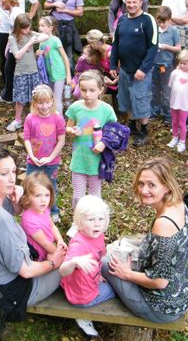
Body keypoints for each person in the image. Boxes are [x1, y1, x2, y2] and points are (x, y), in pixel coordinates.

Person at [0, 145, 67, 312]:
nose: (12, 179)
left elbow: (14, 210)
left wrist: (14, 199)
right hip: (7, 292)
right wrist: (54, 262)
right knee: (69, 262)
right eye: (4, 174)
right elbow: (26, 270)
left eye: (14, 171)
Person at [102, 158, 188, 323]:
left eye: (151, 185)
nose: (144, 190)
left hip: (161, 307)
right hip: (183, 291)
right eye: (141, 183)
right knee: (119, 247)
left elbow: (159, 282)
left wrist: (127, 274)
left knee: (102, 261)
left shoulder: (164, 225)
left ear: (166, 186)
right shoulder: (178, 203)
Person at [60, 195, 115, 337]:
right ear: (80, 222)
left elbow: (99, 257)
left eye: (101, 219)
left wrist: (99, 275)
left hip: (87, 282)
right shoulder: (79, 245)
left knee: (109, 272)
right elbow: (63, 270)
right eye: (91, 219)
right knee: (116, 289)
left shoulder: (99, 235)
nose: (97, 224)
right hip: (82, 296)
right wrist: (74, 262)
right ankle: (82, 315)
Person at [109, 0, 158, 146]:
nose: (131, 5)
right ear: (125, 3)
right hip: (124, 69)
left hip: (141, 71)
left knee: (141, 100)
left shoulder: (148, 20)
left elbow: (153, 47)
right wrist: (112, 64)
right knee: (126, 99)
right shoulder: (122, 20)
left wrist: (143, 69)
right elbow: (116, 44)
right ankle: (131, 126)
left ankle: (143, 130)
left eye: (134, 2)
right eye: (128, 2)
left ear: (141, 2)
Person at [65, 70, 117, 209]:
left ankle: (96, 221)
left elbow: (114, 133)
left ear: (100, 90)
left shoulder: (107, 110)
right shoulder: (75, 107)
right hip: (79, 160)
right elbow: (67, 128)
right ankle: (78, 222)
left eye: (92, 90)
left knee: (95, 196)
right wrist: (72, 131)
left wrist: (103, 144)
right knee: (78, 196)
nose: (87, 94)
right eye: (83, 90)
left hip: (97, 161)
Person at [23, 84, 66, 222]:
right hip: (33, 161)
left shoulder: (58, 119)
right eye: (40, 103)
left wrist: (50, 158)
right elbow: (27, 139)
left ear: (52, 101)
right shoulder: (30, 118)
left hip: (51, 162)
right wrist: (32, 155)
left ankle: (53, 211)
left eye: (47, 102)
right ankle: (31, 210)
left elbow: (61, 141)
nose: (44, 106)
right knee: (31, 185)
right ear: (35, 103)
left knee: (50, 186)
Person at [5, 14, 46, 132]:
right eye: (24, 28)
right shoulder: (12, 38)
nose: (27, 30)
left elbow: (46, 36)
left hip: (33, 72)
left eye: (28, 27)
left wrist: (33, 39)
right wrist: (29, 44)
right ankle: (17, 120)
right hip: (21, 73)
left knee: (36, 97)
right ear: (18, 27)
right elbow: (17, 55)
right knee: (20, 99)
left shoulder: (30, 34)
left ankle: (37, 119)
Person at [20, 172, 67, 261]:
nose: (43, 200)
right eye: (38, 195)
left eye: (47, 195)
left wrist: (60, 240)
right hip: (39, 256)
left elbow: (52, 226)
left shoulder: (43, 209)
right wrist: (61, 254)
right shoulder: (29, 219)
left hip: (49, 248)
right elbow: (44, 244)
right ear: (27, 197)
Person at [44, 0, 85, 69]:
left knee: (68, 55)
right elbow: (45, 5)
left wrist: (65, 10)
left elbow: (80, 12)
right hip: (54, 26)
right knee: (52, 52)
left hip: (68, 28)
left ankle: (69, 81)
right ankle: (53, 79)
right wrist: (55, 3)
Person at [151, 6, 181, 124]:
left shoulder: (173, 31)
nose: (162, 24)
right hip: (154, 65)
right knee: (154, 90)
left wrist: (166, 47)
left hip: (167, 65)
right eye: (159, 22)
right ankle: (154, 112)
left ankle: (167, 115)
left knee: (166, 91)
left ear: (169, 19)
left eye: (164, 22)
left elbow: (178, 48)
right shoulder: (154, 30)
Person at [167, 50, 188, 153]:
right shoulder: (175, 73)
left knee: (182, 123)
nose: (182, 65)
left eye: (184, 63)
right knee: (174, 121)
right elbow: (171, 85)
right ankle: (174, 138)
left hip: (185, 104)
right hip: (174, 102)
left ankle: (182, 142)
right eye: (180, 63)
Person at [37, 15, 71, 114]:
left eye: (43, 26)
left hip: (59, 72)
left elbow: (65, 57)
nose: (40, 28)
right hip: (49, 73)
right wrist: (38, 53)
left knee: (57, 98)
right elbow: (42, 55)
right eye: (39, 26)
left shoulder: (56, 40)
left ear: (50, 28)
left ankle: (59, 121)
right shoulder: (41, 41)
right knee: (50, 97)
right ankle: (51, 117)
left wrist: (68, 75)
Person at [0, 0, 24, 104]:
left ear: (8, 1)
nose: (2, 5)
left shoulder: (17, 12)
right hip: (13, 45)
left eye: (3, 3)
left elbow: (20, 29)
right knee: (9, 69)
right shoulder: (12, 12)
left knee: (9, 69)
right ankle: (9, 94)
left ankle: (9, 96)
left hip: (18, 46)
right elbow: (12, 31)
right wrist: (8, 45)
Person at [72, 30, 107, 100]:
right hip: (80, 77)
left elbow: (99, 73)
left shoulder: (97, 63)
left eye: (85, 54)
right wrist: (80, 61)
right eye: (83, 53)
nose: (83, 56)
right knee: (72, 89)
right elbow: (78, 70)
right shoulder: (82, 60)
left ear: (92, 56)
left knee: (78, 93)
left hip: (91, 79)